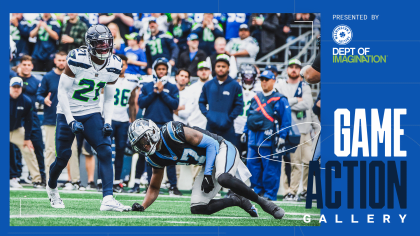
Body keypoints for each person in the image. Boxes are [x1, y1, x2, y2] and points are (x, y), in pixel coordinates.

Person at [46, 24, 131, 211]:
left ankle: (108, 198)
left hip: (91, 110)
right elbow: (61, 92)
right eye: (99, 43)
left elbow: (108, 98)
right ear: (90, 44)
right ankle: (52, 187)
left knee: (106, 150)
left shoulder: (115, 63)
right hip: (67, 111)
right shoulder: (77, 58)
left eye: (106, 42)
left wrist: (107, 122)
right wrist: (70, 120)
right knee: (64, 157)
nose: (104, 46)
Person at [127, 119, 285, 219]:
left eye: (144, 141)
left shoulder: (171, 132)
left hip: (222, 147)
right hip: (208, 162)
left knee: (223, 178)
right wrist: (143, 206)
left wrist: (208, 174)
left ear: (153, 132)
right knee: (198, 208)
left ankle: (264, 203)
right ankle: (237, 200)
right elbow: (154, 186)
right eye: (140, 145)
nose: (144, 147)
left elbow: (211, 144)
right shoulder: (153, 157)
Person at [242, 70, 292, 201]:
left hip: (270, 141)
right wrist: (245, 131)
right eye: (262, 79)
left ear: (274, 80)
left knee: (271, 169)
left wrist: (282, 136)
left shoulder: (280, 99)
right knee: (253, 167)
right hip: (253, 140)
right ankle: (256, 192)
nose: (264, 82)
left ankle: (269, 195)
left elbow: (286, 121)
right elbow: (249, 116)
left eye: (267, 79)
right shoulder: (255, 97)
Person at [36, 51, 83, 189]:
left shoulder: (73, 75)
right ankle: (49, 180)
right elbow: (39, 94)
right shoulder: (48, 77)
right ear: (55, 61)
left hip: (69, 118)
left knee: (72, 150)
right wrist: (43, 99)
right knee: (50, 150)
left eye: (64, 60)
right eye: (60, 60)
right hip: (51, 118)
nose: (62, 62)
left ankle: (75, 181)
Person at [138, 57, 181, 196]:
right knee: (150, 156)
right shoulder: (147, 86)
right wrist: (154, 92)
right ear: (155, 71)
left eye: (164, 69)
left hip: (167, 125)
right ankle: (150, 185)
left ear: (167, 71)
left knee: (170, 155)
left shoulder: (173, 87)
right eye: (159, 69)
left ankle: (173, 186)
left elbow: (174, 105)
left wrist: (162, 92)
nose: (161, 72)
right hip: (150, 126)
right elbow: (141, 103)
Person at [275, 59, 313, 201]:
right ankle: (289, 191)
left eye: (297, 67)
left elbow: (307, 105)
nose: (294, 69)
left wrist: (288, 102)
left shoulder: (305, 86)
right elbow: (279, 103)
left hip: (304, 129)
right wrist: (296, 100)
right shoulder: (280, 85)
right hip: (288, 129)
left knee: (309, 162)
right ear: (287, 69)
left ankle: (304, 190)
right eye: (291, 67)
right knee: (292, 163)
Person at [110, 54, 140, 193]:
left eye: (123, 64)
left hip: (122, 120)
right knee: (104, 150)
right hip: (108, 119)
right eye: (119, 63)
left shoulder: (131, 81)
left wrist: (132, 121)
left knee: (121, 151)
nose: (121, 66)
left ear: (127, 66)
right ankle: (102, 180)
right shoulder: (107, 78)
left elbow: (132, 103)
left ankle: (116, 181)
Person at [199, 54, 243, 144]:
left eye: (223, 66)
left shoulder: (235, 85)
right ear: (214, 68)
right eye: (218, 66)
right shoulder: (208, 85)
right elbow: (201, 102)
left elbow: (239, 105)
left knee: (228, 155)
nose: (221, 68)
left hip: (228, 128)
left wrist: (229, 119)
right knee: (209, 154)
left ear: (228, 68)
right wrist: (208, 115)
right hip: (210, 126)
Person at [17, 55, 46, 186]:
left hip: (32, 116)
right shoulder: (14, 80)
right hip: (16, 117)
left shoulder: (36, 80)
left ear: (32, 66)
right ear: (20, 65)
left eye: (29, 65)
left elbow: (40, 96)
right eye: (24, 64)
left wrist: (44, 100)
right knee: (16, 148)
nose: (27, 67)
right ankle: (15, 176)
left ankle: (40, 177)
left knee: (38, 147)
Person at [10, 77, 42, 188]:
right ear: (9, 87)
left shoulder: (26, 101)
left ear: (21, 88)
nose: (16, 89)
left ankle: (37, 180)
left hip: (17, 129)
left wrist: (27, 138)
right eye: (14, 87)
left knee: (29, 150)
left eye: (18, 87)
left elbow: (29, 121)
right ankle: (10, 178)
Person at [234, 64, 258, 157]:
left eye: (251, 76)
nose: (248, 79)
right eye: (246, 76)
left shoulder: (259, 91)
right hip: (236, 126)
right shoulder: (235, 89)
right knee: (235, 156)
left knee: (251, 158)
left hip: (252, 129)